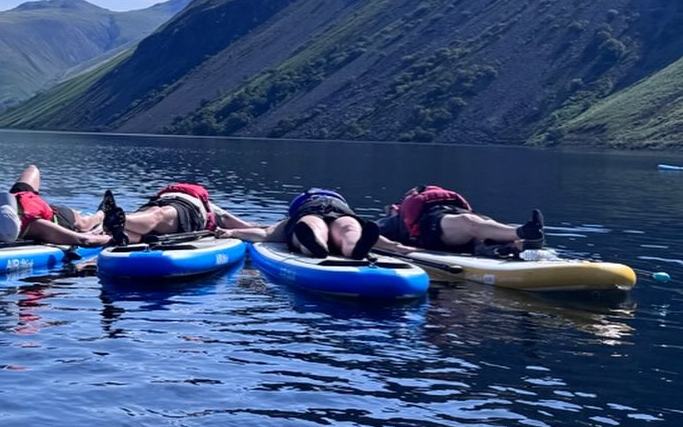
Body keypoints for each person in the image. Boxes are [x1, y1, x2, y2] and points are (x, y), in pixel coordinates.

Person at [375, 185, 545, 257]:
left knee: (484, 225)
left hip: (455, 219)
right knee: (468, 222)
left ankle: (519, 244)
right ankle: (525, 233)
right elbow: (368, 233)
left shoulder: (438, 204)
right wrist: (395, 247)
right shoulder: (393, 222)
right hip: (434, 227)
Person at [213, 187, 381, 259]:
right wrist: (395, 247)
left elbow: (265, 234)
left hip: (308, 210)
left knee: (312, 227)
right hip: (341, 211)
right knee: (350, 229)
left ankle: (315, 245)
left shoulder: (292, 217)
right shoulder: (341, 205)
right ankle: (354, 248)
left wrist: (232, 232)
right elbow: (380, 239)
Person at [0, 165, 110, 247]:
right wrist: (112, 238)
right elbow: (84, 240)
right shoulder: (38, 225)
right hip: (53, 215)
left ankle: (101, 214)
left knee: (32, 169)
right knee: (83, 224)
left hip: (21, 196)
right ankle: (102, 213)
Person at [99, 181, 261, 246]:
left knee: (157, 214)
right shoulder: (208, 205)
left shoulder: (210, 207)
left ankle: (114, 221)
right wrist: (259, 229)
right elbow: (239, 224)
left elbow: (233, 223)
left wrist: (258, 230)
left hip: (179, 208)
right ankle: (117, 225)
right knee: (154, 215)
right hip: (172, 205)